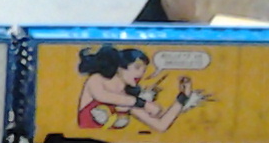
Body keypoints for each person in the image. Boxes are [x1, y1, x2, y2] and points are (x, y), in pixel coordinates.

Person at [75, 44, 204, 133]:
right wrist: (143, 103)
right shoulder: (97, 80)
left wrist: (183, 98)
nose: (141, 74)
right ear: (120, 68)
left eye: (143, 70)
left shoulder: (128, 98)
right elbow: (103, 96)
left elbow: (161, 125)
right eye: (137, 67)